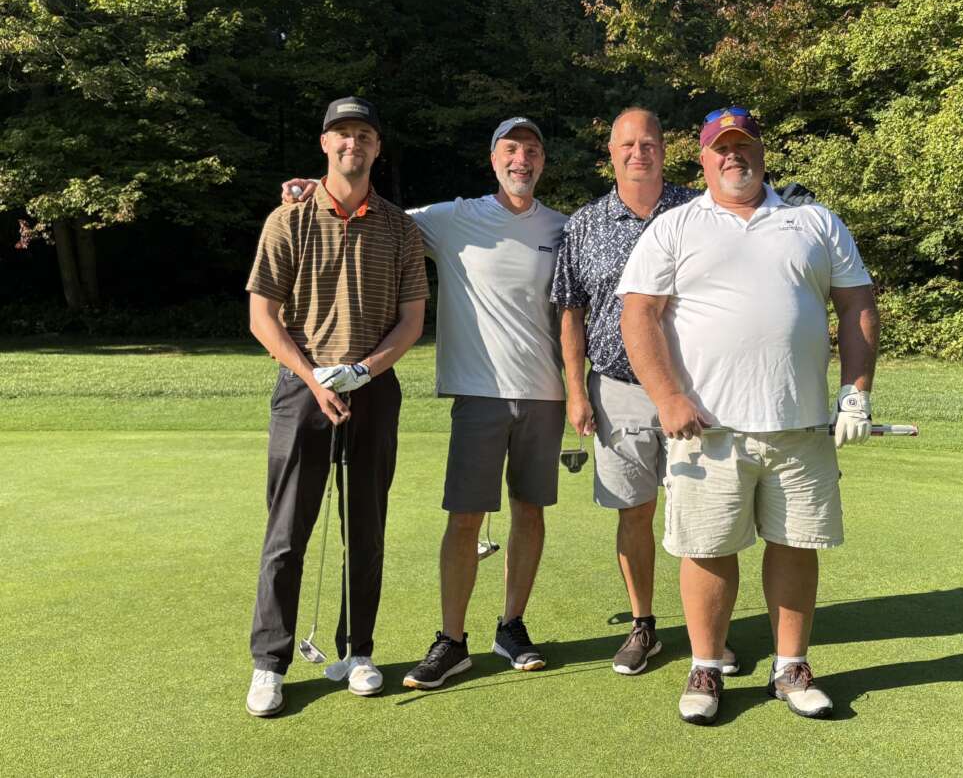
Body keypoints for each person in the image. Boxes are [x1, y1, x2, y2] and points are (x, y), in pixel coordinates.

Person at [282, 117, 567, 689]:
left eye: (532, 151)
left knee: (529, 512)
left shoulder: (563, 227)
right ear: (493, 159)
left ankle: (511, 627)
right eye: (511, 149)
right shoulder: (452, 217)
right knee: (465, 518)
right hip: (478, 392)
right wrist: (319, 188)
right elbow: (371, 213)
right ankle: (452, 641)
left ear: (542, 161)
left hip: (546, 393)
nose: (522, 160)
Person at [617, 106, 879, 725]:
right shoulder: (675, 227)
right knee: (707, 549)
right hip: (707, 429)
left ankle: (791, 667)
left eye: (743, 145)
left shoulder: (813, 221)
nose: (733, 155)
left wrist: (856, 391)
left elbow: (857, 304)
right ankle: (705, 666)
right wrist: (667, 397)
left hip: (800, 425)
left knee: (795, 544)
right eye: (721, 147)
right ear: (703, 159)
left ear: (762, 152)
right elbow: (639, 314)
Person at [245, 96, 428, 717]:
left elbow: (411, 321)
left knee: (365, 529)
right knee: (286, 532)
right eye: (342, 134)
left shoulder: (400, 227)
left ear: (378, 147)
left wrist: (363, 370)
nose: (354, 144)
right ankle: (270, 663)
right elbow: (263, 316)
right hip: (304, 387)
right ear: (325, 143)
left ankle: (359, 652)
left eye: (364, 135)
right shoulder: (288, 218)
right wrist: (314, 377)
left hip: (372, 386)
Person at [550, 107, 738, 677]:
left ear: (664, 148)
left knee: (703, 513)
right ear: (610, 152)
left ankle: (708, 635)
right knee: (635, 510)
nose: (639, 152)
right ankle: (643, 625)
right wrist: (576, 390)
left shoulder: (700, 211)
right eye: (627, 144)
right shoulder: (585, 224)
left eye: (649, 142)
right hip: (617, 390)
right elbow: (571, 311)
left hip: (692, 387)